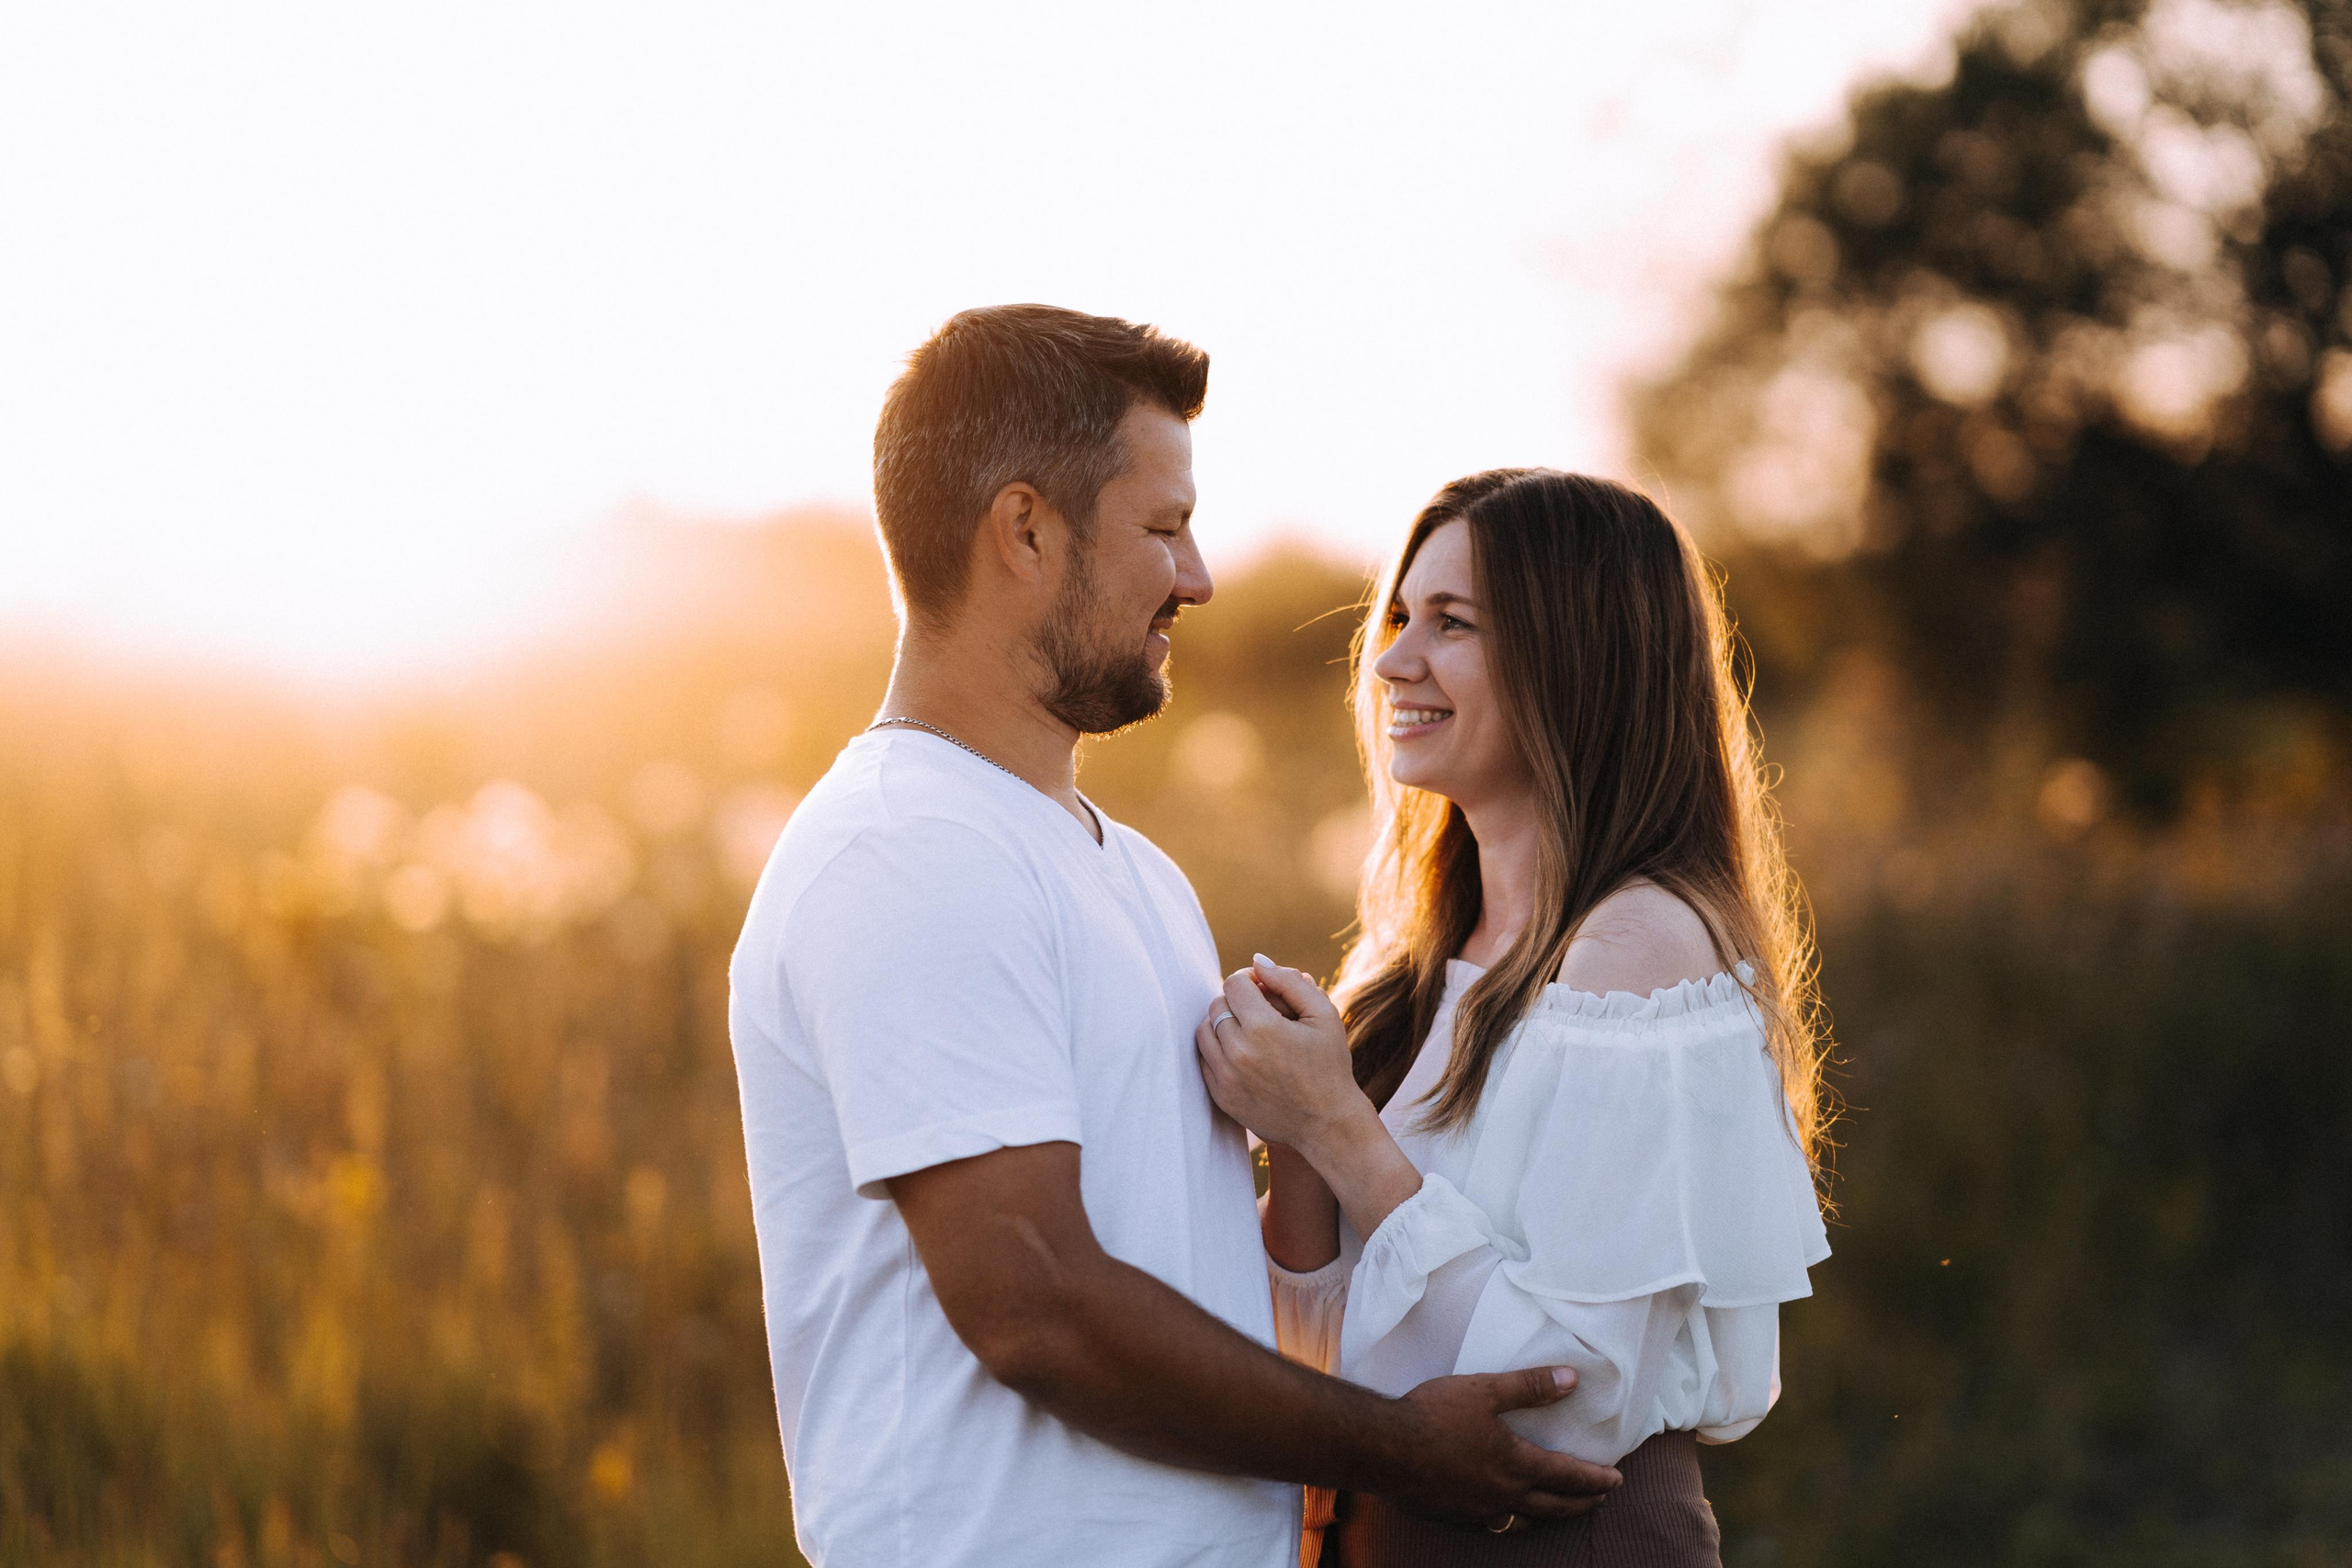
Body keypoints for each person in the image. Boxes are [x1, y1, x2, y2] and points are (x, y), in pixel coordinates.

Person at [729, 310, 1619, 1568]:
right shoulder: (907, 850)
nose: (1196, 576)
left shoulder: (1130, 869)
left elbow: (1177, 1267)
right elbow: (1037, 1304)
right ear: (1025, 529)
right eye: (1161, 528)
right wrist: (1396, 1445)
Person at [1195, 470, 1833, 1566]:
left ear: (1573, 659)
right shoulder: (1416, 965)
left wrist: (1344, 1132)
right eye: (1401, 616)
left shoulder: (1640, 953)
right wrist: (1300, 1129)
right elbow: (1324, 1358)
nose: (1394, 659)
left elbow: (1563, 1399)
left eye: (1452, 623)